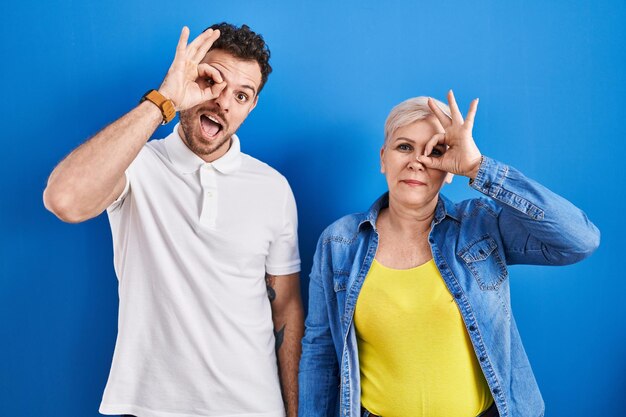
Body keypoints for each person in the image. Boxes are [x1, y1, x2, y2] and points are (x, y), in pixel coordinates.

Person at [43, 23, 303, 417]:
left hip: (255, 407)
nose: (222, 102)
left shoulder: (273, 187)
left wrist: (295, 410)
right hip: (150, 406)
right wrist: (165, 99)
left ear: (251, 107)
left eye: (241, 95)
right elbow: (64, 200)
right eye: (211, 81)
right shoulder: (136, 164)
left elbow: (285, 307)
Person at [298, 91, 600, 417]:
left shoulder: (479, 225)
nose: (416, 160)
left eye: (435, 151)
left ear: (449, 166)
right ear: (384, 158)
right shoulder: (340, 242)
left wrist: (478, 167)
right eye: (404, 147)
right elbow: (320, 352)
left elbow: (579, 240)